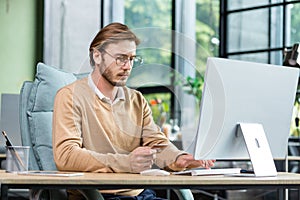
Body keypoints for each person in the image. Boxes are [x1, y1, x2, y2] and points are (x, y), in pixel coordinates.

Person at [52, 22, 215, 200]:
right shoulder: (70, 96)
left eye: (132, 59)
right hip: (99, 196)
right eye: (121, 58)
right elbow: (66, 156)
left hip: (141, 194)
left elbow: (157, 145)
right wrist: (127, 162)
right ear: (97, 56)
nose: (127, 66)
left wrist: (180, 158)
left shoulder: (136, 100)